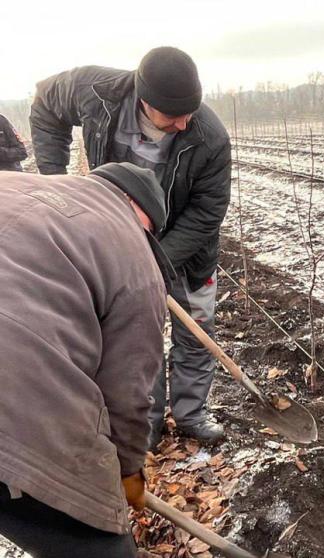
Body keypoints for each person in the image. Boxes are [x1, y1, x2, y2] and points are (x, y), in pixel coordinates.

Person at [31, 46, 232, 444]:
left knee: (196, 330)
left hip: (186, 251)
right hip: (116, 238)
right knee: (137, 334)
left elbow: (207, 214)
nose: (183, 122)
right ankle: (146, 423)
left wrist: (156, 260)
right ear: (145, 100)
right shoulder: (97, 91)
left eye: (190, 112)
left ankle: (192, 414)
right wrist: (55, 180)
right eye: (172, 115)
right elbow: (45, 107)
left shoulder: (210, 138)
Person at [0, 163, 168, 558]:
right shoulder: (135, 255)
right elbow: (127, 394)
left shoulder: (14, 184)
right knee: (100, 545)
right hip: (15, 400)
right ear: (138, 210)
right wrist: (126, 472)